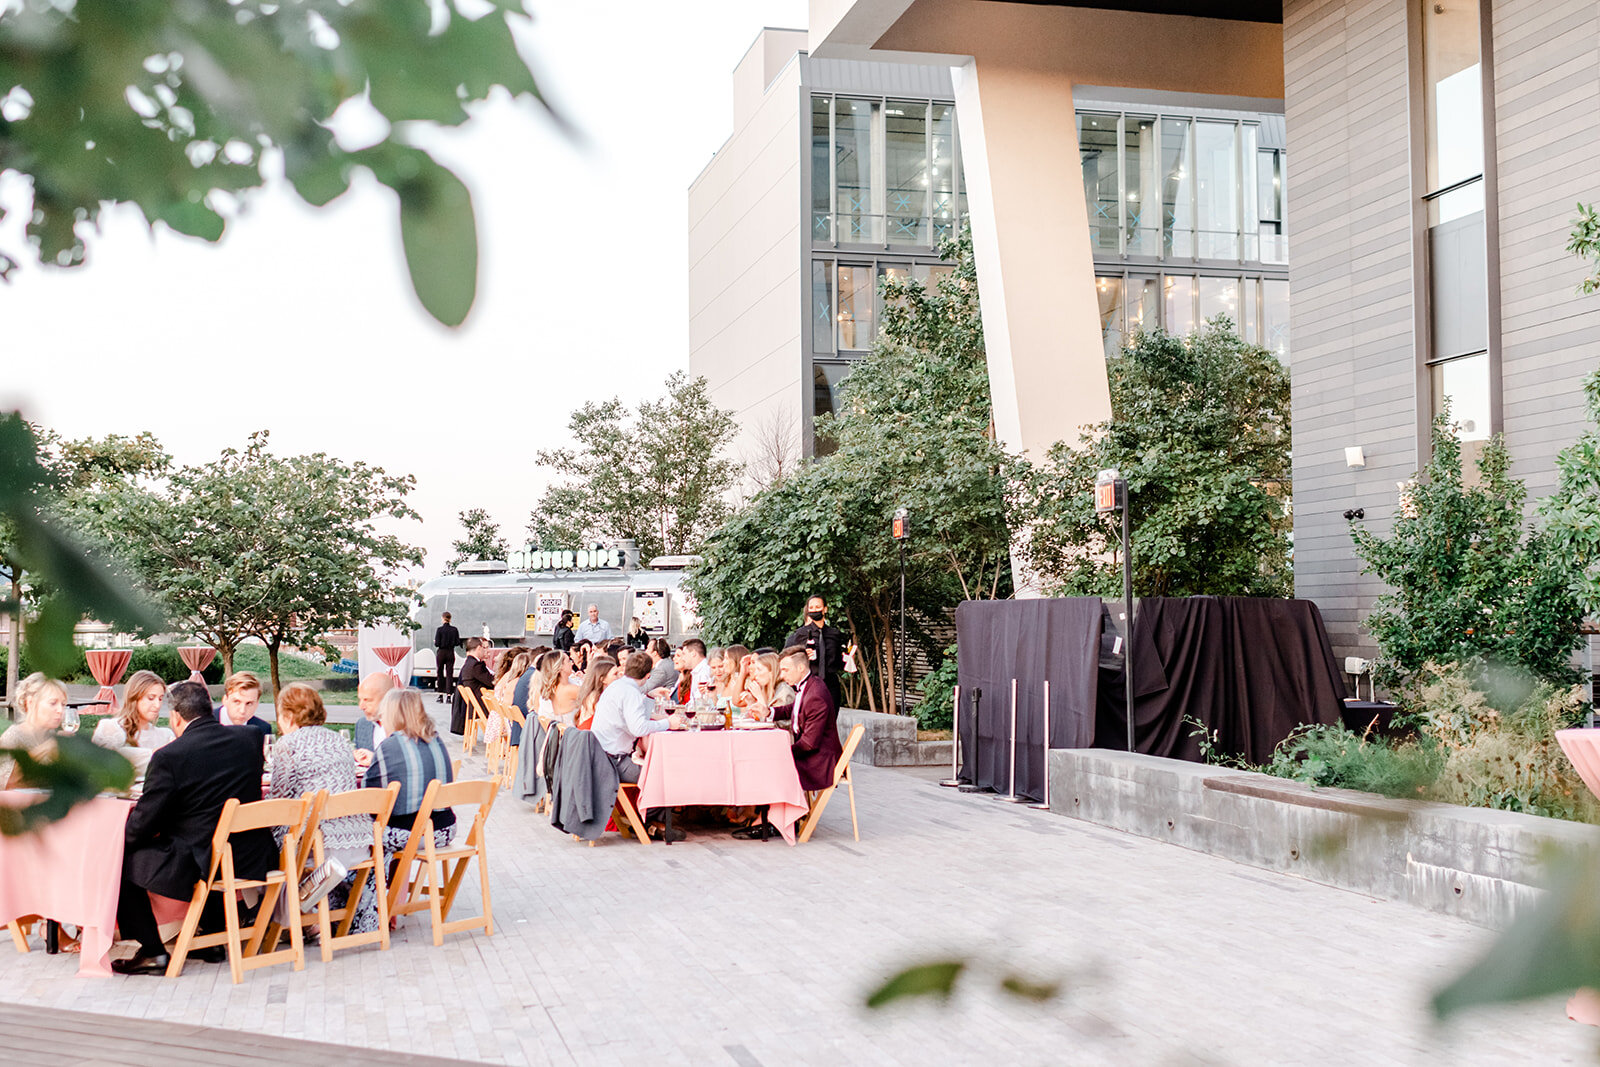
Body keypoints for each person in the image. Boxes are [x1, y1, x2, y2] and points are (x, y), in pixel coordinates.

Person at [113, 681, 276, 975]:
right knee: (208, 839)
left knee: (120, 862)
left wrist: (116, 842)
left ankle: (152, 952)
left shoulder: (169, 756)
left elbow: (144, 823)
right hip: (250, 852)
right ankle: (211, 943)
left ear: (176, 716)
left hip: (204, 860)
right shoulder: (250, 738)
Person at [268, 683, 379, 935]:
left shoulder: (288, 744)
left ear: (287, 715)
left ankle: (286, 918)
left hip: (321, 846)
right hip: (359, 842)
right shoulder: (339, 740)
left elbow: (280, 802)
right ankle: (305, 914)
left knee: (263, 845)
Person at [365, 687, 455, 860]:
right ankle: (394, 877)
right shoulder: (436, 739)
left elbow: (371, 796)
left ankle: (372, 877)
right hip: (445, 828)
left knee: (359, 829)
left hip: (410, 832)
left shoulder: (390, 745)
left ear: (391, 715)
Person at [90, 669, 174, 790]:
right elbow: (98, 765)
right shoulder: (112, 728)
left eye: (160, 699)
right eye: (151, 698)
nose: (157, 705)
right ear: (134, 697)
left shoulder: (166, 735)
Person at [775, 645, 844, 792]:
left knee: (771, 768)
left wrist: (784, 753)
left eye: (785, 670)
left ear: (800, 668)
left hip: (818, 763)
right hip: (811, 755)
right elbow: (794, 709)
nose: (781, 675)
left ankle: (784, 807)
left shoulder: (816, 695)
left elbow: (809, 744)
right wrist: (768, 712)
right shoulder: (810, 685)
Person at [0, 673, 68, 789]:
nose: (60, 710)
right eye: (53, 703)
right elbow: (5, 786)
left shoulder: (52, 736)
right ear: (31, 702)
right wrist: (46, 748)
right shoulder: (13, 737)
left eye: (63, 704)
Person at [786, 595, 847, 708]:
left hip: (831, 686)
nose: (814, 610)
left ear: (825, 609)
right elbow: (786, 659)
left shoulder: (834, 634)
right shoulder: (800, 634)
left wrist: (848, 660)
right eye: (811, 607)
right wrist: (803, 656)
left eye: (818, 607)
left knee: (831, 716)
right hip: (809, 684)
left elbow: (839, 662)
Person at [449, 637, 494, 735]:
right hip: (481, 705)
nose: (486, 651)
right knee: (504, 709)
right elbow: (492, 682)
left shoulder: (469, 663)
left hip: (472, 705)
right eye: (484, 648)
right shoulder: (475, 665)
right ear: (479, 648)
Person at [736, 652, 795, 723]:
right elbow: (759, 720)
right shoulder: (766, 689)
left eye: (759, 669)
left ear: (771, 672)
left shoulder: (784, 691)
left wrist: (759, 697)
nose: (755, 674)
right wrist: (751, 703)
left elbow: (780, 724)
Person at [353, 672, 395, 769]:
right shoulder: (362, 724)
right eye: (360, 699)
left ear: (387, 698)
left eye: (367, 700)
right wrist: (355, 755)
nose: (361, 706)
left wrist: (375, 759)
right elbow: (355, 750)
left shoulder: (406, 726)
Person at [216, 671, 273, 739]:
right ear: (225, 700)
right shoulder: (205, 723)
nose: (242, 710)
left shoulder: (263, 729)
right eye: (237, 702)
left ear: (257, 704)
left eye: (249, 703)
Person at [573, 655, 619, 730]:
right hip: (591, 735)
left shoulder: (592, 694)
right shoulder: (596, 698)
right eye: (615, 674)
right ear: (603, 679)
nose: (620, 677)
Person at [433, 612, 460, 699]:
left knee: (440, 673)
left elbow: (437, 644)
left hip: (441, 652)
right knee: (449, 673)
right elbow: (457, 642)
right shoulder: (454, 629)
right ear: (450, 619)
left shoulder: (439, 630)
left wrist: (436, 642)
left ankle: (440, 694)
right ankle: (449, 695)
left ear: (443, 618)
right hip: (450, 652)